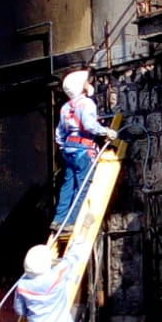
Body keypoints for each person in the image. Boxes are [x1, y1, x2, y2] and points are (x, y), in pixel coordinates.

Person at [52, 69, 117, 228]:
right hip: (83, 149)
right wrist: (106, 131)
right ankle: (71, 221)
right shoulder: (87, 104)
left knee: (68, 184)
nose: (89, 84)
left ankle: (58, 219)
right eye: (86, 82)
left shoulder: (66, 107)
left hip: (68, 149)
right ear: (81, 87)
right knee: (82, 186)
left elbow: (60, 131)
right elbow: (89, 125)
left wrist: (62, 146)